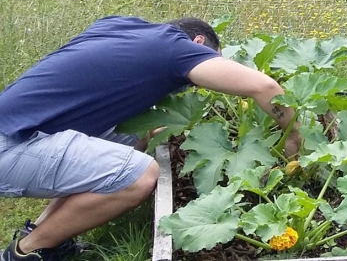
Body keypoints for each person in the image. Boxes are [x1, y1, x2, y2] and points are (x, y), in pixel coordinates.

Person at [0, 16, 303, 261]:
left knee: (136, 136)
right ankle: (26, 253)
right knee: (141, 175)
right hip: (12, 145)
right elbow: (264, 88)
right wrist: (293, 139)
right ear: (197, 43)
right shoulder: (177, 49)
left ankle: (41, 234)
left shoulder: (117, 25)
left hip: (21, 126)